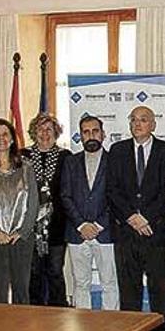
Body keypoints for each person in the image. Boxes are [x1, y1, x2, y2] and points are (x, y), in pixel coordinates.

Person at [108, 106, 165, 331]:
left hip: (156, 232)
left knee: (159, 288)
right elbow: (112, 190)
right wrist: (131, 217)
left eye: (143, 120)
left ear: (153, 125)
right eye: (134, 120)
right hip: (127, 233)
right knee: (129, 290)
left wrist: (146, 217)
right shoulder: (117, 151)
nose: (138, 124)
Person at [0, 119, 39, 305]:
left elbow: (33, 202)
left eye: (5, 134)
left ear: (12, 139)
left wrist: (23, 231)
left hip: (21, 238)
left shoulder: (26, 167)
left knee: (21, 289)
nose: (1, 139)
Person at [60, 115, 118, 311]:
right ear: (80, 136)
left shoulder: (115, 161)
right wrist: (82, 225)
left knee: (110, 283)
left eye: (95, 131)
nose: (91, 135)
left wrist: (98, 225)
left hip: (106, 232)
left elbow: (117, 198)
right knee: (80, 284)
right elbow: (65, 196)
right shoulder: (70, 162)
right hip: (78, 233)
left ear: (103, 134)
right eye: (86, 132)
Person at [22, 114, 72, 307]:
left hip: (57, 225)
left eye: (49, 129)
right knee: (33, 272)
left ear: (56, 133)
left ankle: (58, 312)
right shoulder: (22, 156)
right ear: (34, 132)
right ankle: (35, 313)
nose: (44, 133)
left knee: (55, 272)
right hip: (30, 226)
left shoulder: (65, 156)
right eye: (40, 129)